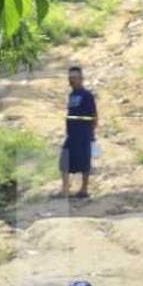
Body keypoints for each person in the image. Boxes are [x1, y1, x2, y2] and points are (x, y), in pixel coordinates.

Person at [60, 66, 97, 199]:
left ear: (81, 79)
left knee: (84, 162)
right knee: (64, 160)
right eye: (70, 78)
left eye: (74, 78)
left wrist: (91, 133)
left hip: (84, 134)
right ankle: (65, 189)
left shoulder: (87, 95)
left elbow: (94, 115)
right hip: (72, 134)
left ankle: (84, 190)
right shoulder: (71, 95)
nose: (72, 80)